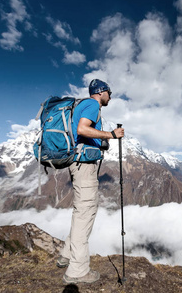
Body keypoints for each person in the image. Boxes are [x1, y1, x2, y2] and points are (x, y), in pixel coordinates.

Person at [57, 79, 125, 285]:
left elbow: (83, 133)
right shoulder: (93, 104)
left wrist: (100, 142)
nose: (110, 97)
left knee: (81, 211)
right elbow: (82, 129)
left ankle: (66, 254)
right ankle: (77, 271)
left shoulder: (83, 105)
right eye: (109, 93)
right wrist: (111, 135)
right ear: (101, 92)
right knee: (85, 213)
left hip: (79, 164)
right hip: (84, 167)